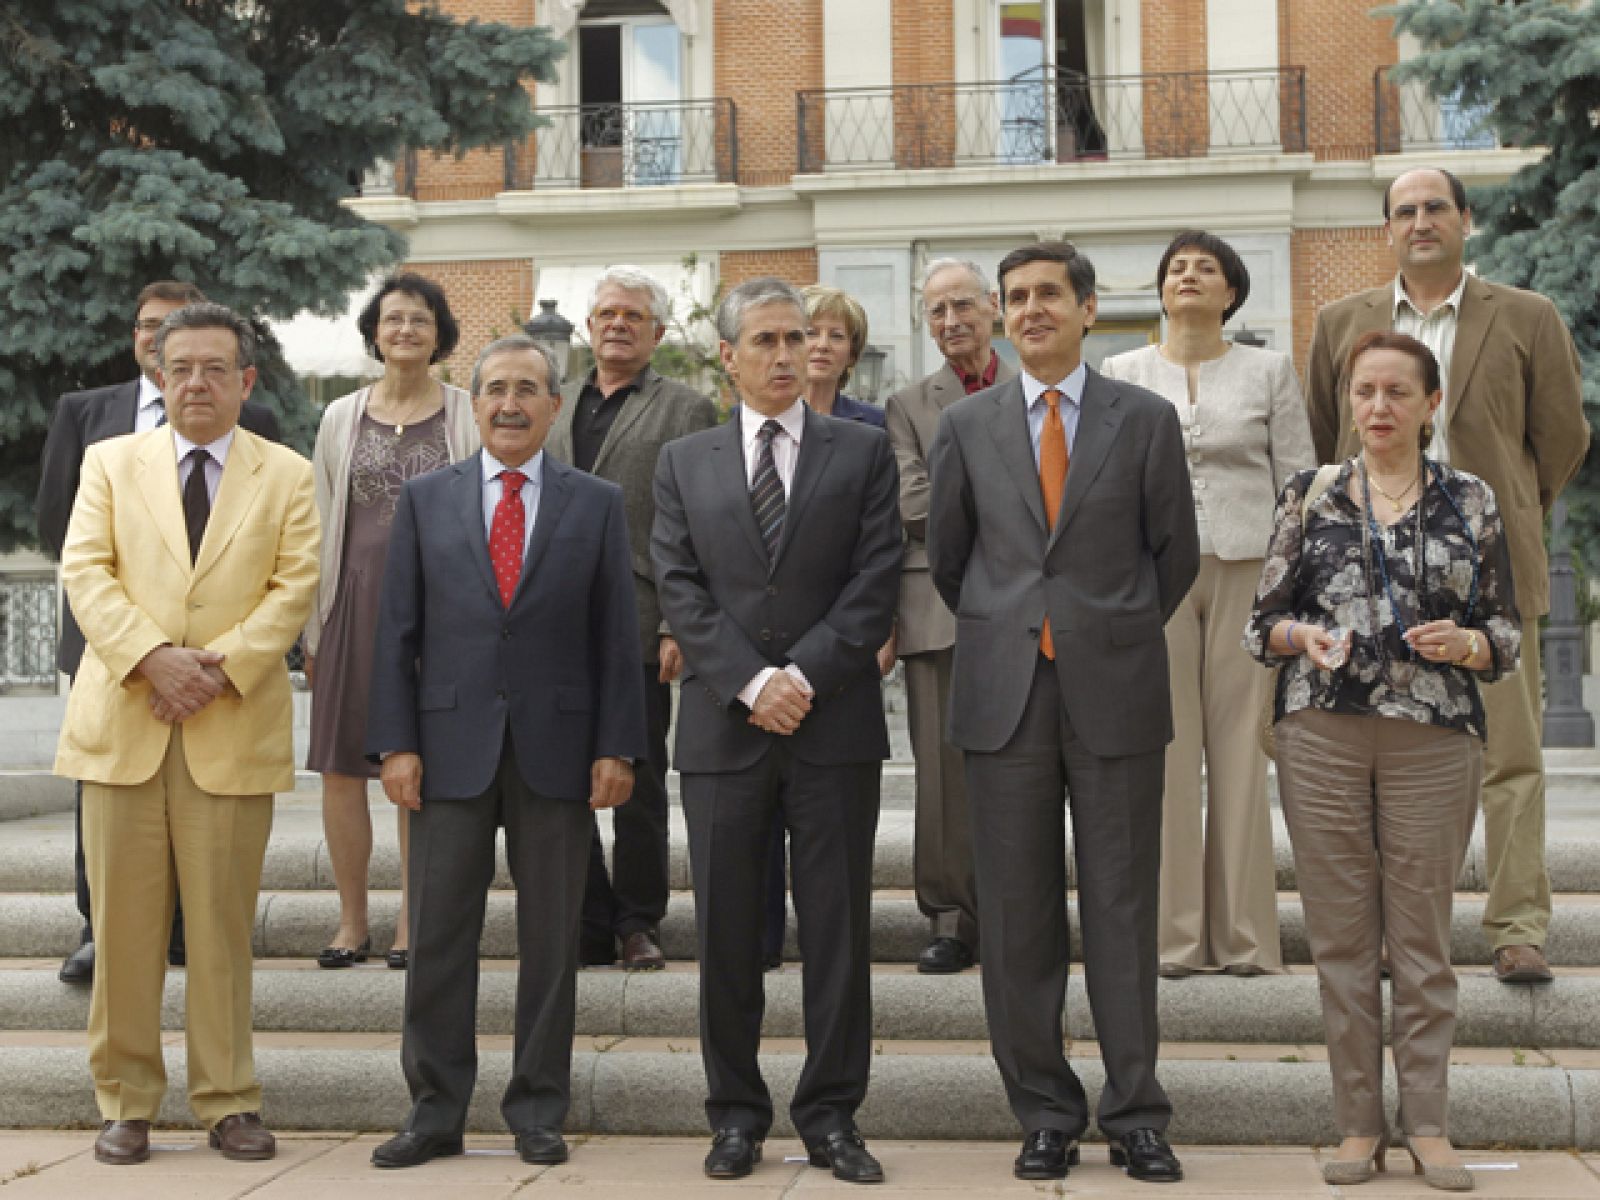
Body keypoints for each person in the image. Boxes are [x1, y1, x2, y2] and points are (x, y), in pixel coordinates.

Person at [927, 241, 1197, 1184]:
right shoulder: (964, 427)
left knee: (1122, 910)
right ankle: (1044, 1110)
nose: (1031, 309)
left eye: (1049, 294)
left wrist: (1101, 630)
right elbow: (953, 564)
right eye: (1016, 298)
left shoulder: (1148, 419)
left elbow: (1176, 556)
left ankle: (1136, 1115)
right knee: (1015, 913)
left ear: (1089, 309)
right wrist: (1019, 627)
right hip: (1003, 698)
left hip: (1116, 692)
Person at [365, 334, 646, 1169]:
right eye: (495, 389)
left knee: (552, 939)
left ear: (554, 406)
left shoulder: (595, 502)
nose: (511, 403)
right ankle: (435, 1110)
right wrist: (395, 744)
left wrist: (618, 747)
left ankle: (537, 1110)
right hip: (447, 750)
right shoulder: (425, 500)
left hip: (560, 751)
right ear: (474, 402)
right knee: (440, 937)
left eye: (529, 389)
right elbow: (396, 632)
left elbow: (614, 633)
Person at [1248, 331, 1519, 1191]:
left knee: (1422, 941)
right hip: (1320, 731)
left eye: (1398, 392)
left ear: (1431, 404)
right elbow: (1264, 624)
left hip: (1434, 738)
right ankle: (1358, 1124)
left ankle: (1429, 1126)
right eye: (1365, 392)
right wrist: (1306, 636)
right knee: (1341, 939)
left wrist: (1468, 643)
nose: (1378, 408)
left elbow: (1506, 631)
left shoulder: (1470, 500)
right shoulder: (1312, 494)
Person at [1306, 166, 1588, 984]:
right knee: (1390, 764)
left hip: (1490, 577)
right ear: (1387, 229)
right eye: (1405, 210)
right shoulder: (1340, 322)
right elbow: (1330, 438)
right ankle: (1397, 933)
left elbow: (1562, 436)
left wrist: (1506, 518)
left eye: (1436, 207)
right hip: (1371, 578)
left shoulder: (1527, 317)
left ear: (1467, 221)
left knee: (1510, 757)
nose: (1421, 220)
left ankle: (1516, 929)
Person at [53, 302, 319, 1166]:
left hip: (230, 723)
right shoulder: (109, 462)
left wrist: (213, 669)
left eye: (216, 368)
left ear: (245, 381)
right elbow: (85, 571)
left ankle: (229, 1100)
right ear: (159, 379)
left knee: (220, 933)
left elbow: (293, 587)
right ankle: (125, 1102)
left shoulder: (285, 473)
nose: (197, 383)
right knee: (122, 931)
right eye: (181, 369)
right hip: (125, 722)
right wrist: (151, 659)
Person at [651, 278, 902, 1185]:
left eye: (797, 337)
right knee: (725, 932)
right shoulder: (684, 461)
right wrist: (753, 683)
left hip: (833, 728)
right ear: (728, 355)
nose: (788, 354)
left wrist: (801, 677)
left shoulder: (862, 451)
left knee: (836, 931)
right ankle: (735, 1116)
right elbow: (679, 587)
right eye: (765, 340)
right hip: (724, 733)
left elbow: (877, 580)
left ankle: (833, 1117)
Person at [36, 280, 281, 986]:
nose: (160, 339)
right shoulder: (89, 419)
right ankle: (98, 930)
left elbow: (280, 565)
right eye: (150, 328)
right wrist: (145, 651)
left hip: (218, 675)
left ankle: (184, 937)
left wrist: (203, 665)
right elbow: (63, 531)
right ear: (142, 343)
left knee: (208, 838)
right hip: (114, 659)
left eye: (174, 327)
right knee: (108, 817)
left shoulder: (258, 427)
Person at [1101, 231, 1314, 977]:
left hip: (1249, 573)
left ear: (1232, 291)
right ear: (1161, 291)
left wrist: (1294, 590)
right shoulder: (1120, 372)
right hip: (1152, 580)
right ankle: (1175, 939)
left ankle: (1248, 938)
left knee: (1238, 755)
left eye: (1206, 268)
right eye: (1176, 268)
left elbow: (1299, 487)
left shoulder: (1268, 371)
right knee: (1165, 753)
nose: (1188, 275)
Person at [547, 265, 716, 972]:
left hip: (643, 618)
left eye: (632, 317)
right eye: (607, 314)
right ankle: (587, 919)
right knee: (559, 777)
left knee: (638, 777)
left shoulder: (687, 409)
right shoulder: (551, 404)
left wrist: (681, 624)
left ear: (657, 333)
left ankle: (639, 921)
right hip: (551, 619)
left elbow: (702, 525)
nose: (617, 325)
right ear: (588, 328)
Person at [305, 273, 476, 972]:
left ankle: (413, 918)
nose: (405, 330)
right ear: (374, 332)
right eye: (393, 318)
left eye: (420, 320)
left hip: (441, 615)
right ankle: (352, 920)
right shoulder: (340, 417)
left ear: (440, 336)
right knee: (344, 771)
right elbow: (318, 522)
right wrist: (313, 630)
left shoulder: (466, 411)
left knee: (418, 770)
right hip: (353, 606)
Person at [884, 258, 1017, 975]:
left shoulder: (1036, 386)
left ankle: (1015, 912)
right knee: (942, 776)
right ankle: (950, 919)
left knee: (1025, 770)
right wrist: (1020, 507)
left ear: (992, 308)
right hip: (939, 607)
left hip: (1035, 607)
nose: (950, 321)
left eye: (962, 304)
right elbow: (913, 507)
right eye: (935, 311)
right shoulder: (908, 406)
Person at [755, 284, 894, 970]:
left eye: (832, 334)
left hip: (837, 677)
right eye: (799, 332)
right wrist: (758, 680)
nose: (813, 346)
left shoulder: (869, 437)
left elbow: (878, 560)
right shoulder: (726, 443)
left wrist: (813, 668)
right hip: (746, 691)